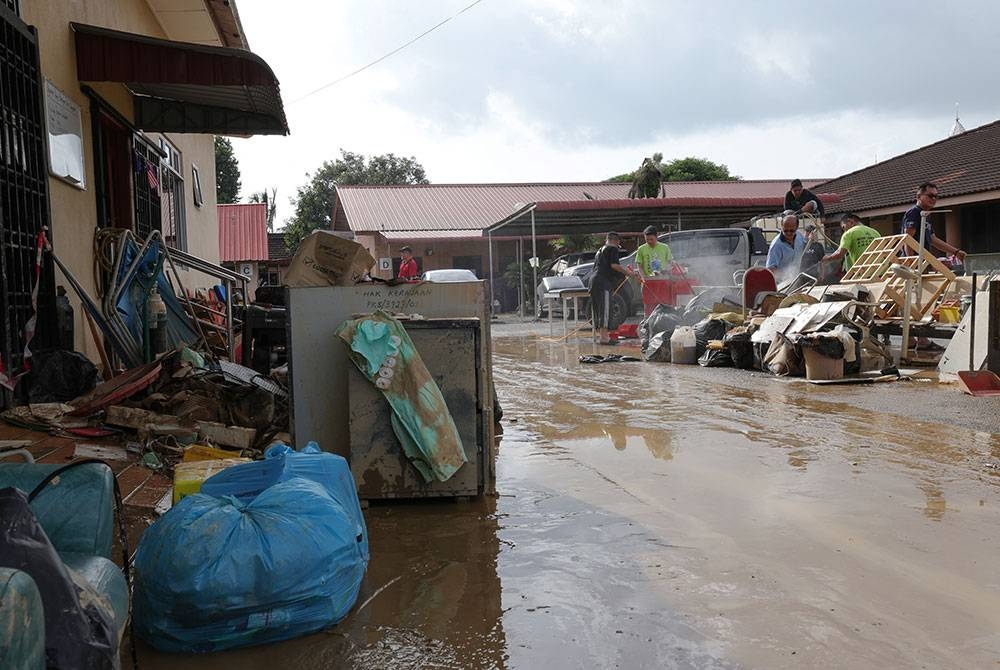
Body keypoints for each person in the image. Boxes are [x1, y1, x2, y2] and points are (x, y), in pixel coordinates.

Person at [901, 182, 966, 261]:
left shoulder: (926, 214)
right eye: (930, 196)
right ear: (918, 196)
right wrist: (911, 261)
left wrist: (956, 252)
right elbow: (908, 239)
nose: (933, 199)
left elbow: (933, 239)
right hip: (914, 262)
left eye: (936, 196)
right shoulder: (914, 212)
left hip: (923, 261)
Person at [590, 232, 633, 345]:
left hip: (593, 281)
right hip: (603, 283)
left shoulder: (600, 251)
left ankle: (602, 336)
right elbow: (614, 265)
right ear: (616, 241)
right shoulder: (612, 248)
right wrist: (628, 273)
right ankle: (604, 338)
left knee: (598, 309)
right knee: (605, 308)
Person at [765, 214, 806, 283]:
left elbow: (806, 246)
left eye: (792, 231)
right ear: (781, 227)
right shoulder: (776, 245)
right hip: (782, 283)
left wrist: (811, 239)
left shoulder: (799, 236)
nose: (789, 233)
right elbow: (771, 269)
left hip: (797, 279)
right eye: (785, 231)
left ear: (797, 227)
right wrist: (786, 276)